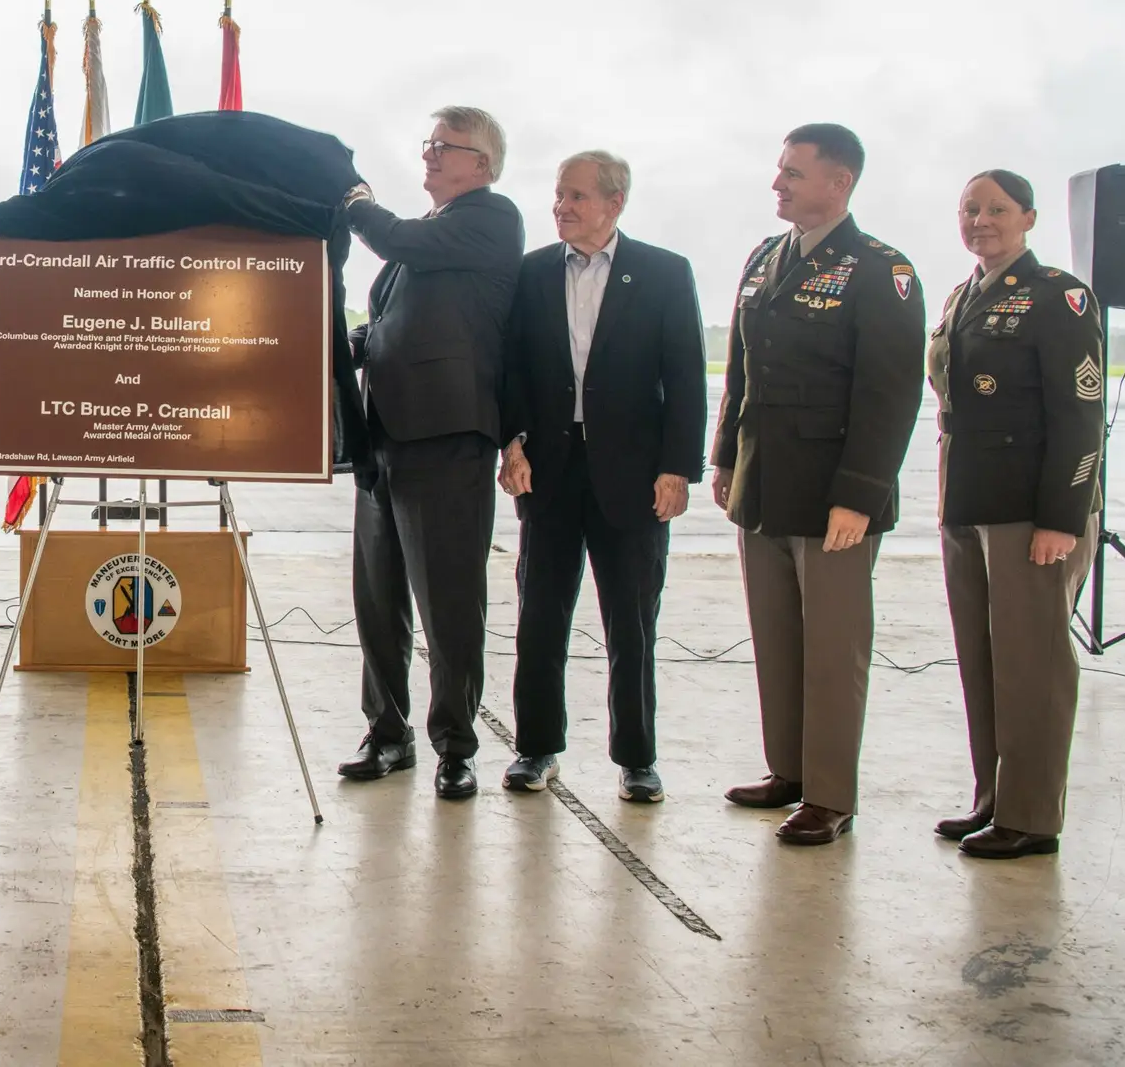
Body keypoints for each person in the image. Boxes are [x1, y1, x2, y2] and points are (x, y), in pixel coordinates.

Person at [712, 122, 927, 845]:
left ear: (839, 182)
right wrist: (724, 458)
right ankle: (791, 772)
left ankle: (831, 796)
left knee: (834, 651)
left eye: (793, 173)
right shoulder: (765, 257)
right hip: (764, 485)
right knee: (776, 640)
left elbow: (891, 393)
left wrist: (859, 495)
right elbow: (741, 373)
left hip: (833, 496)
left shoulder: (879, 269)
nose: (778, 183)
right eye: (779, 171)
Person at [497, 152, 707, 803]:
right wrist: (512, 444)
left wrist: (678, 468)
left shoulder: (665, 273)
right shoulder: (530, 274)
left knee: (632, 624)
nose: (562, 206)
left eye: (577, 197)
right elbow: (511, 371)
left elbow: (687, 379)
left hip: (634, 478)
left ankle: (637, 759)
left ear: (614, 203)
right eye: (558, 195)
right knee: (540, 619)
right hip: (550, 474)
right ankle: (536, 749)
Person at [337, 106, 526, 801]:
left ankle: (456, 745)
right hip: (382, 442)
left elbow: (394, 237)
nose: (430, 156)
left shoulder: (489, 219)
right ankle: (387, 734)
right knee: (377, 601)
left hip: (447, 441)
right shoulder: (413, 262)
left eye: (445, 148)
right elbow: (379, 335)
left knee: (448, 603)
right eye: (429, 145)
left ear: (481, 163)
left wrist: (356, 204)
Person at [928, 169, 1103, 859]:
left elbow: (1080, 417)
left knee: (1032, 665)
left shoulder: (1058, 296)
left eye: (996, 209)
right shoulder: (962, 296)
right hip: (970, 504)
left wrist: (1061, 516)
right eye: (969, 209)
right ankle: (992, 798)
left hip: (1034, 514)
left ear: (1028, 217)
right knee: (984, 659)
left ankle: (1032, 816)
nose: (981, 220)